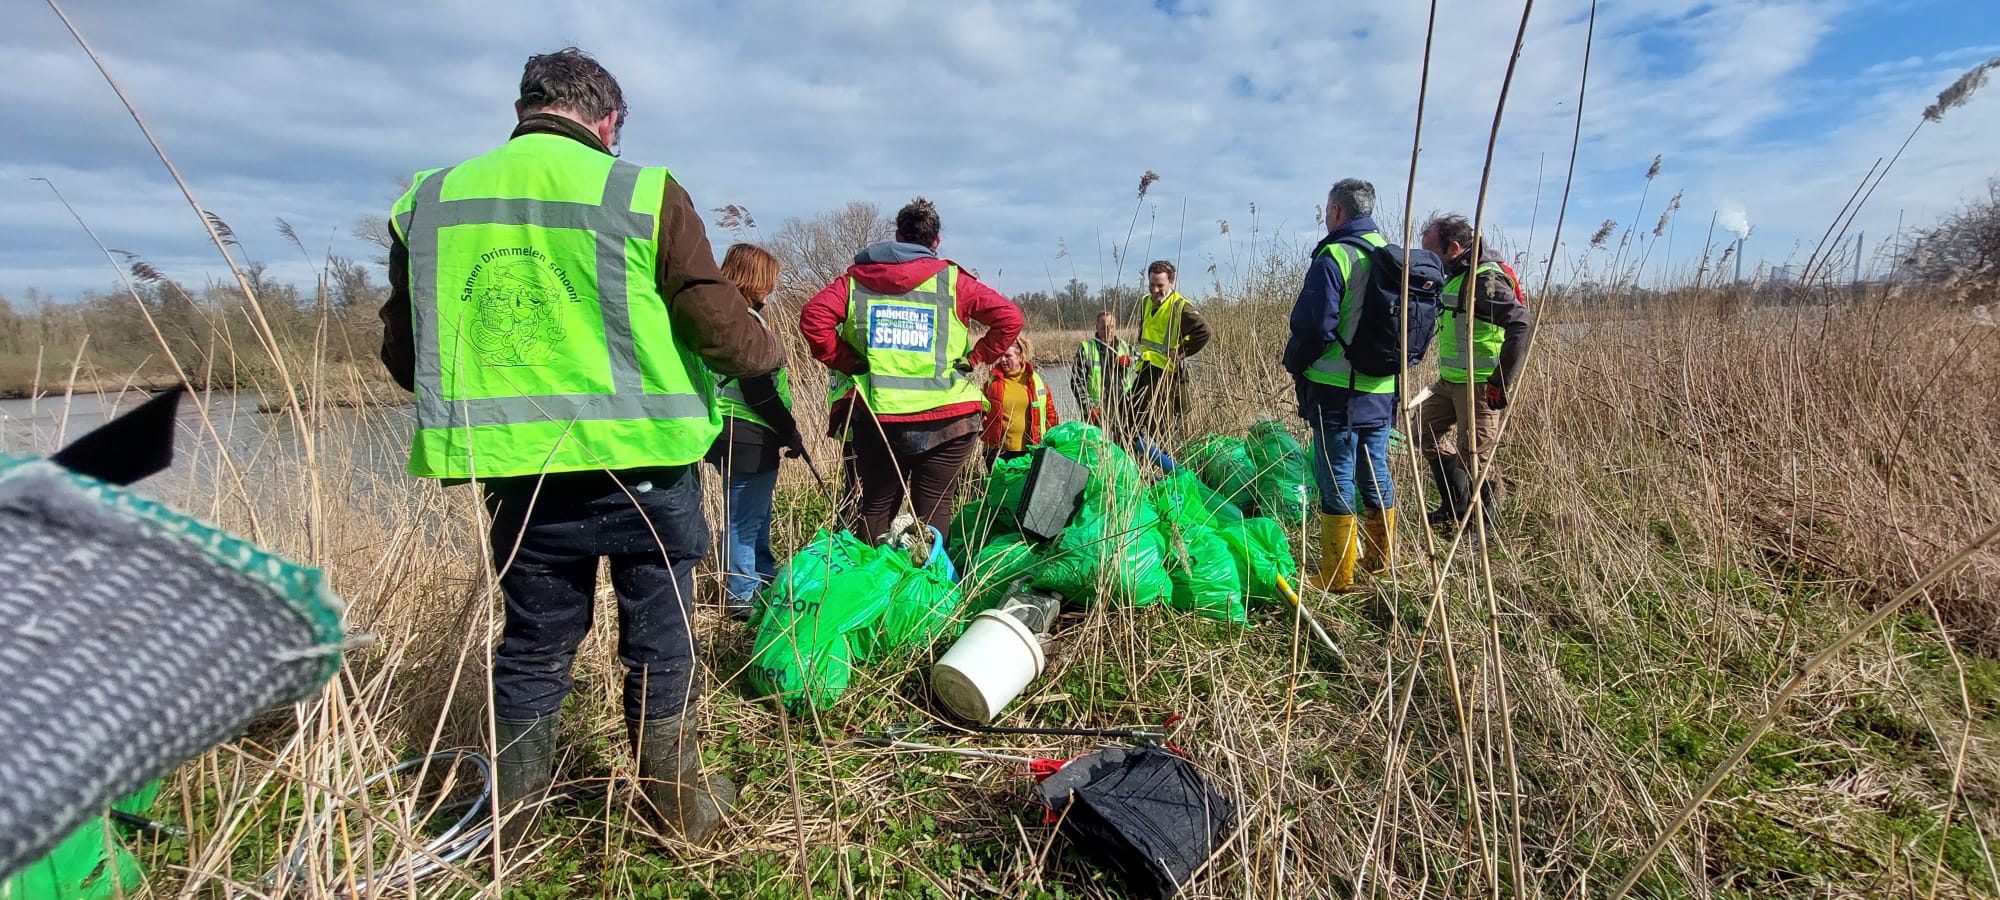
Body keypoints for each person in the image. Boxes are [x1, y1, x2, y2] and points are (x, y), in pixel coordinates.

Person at [377, 47, 779, 846]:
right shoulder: (643, 192)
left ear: (525, 109)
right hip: (647, 469)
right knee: (661, 637)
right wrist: (764, 355)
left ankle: (513, 820)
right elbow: (717, 328)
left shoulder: (432, 199)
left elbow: (403, 355)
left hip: (520, 477)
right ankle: (677, 805)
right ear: (609, 122)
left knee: (533, 642)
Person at [798, 197, 1023, 543]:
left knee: (876, 508)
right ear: (935, 242)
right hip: (948, 419)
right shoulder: (953, 281)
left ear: (898, 237)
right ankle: (931, 589)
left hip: (878, 418)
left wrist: (850, 362)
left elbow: (813, 318)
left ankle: (877, 588)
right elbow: (1010, 318)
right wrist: (976, 357)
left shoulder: (856, 281)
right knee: (934, 511)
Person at [1281, 179, 1403, 592]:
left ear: (1335, 212)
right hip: (1383, 390)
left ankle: (1336, 574)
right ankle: (1379, 560)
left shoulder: (1335, 255)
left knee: (1336, 475)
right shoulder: (1392, 255)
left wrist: (1294, 362)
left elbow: (1315, 327)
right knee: (1376, 470)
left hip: (1338, 394)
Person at [1416, 213, 1533, 532]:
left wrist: (1500, 380)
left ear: (1453, 247)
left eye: (1430, 251)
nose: (1427, 258)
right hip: (1450, 382)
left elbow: (1521, 324)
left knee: (1476, 456)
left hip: (1479, 386)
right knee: (1422, 433)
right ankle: (1456, 504)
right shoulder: (1456, 273)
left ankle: (1484, 528)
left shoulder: (1484, 279)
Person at [707, 243, 804, 619]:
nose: (773, 287)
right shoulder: (745, 322)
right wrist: (790, 430)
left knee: (756, 512)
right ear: (755, 279)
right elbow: (758, 389)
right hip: (748, 432)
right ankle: (742, 596)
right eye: (770, 279)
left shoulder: (719, 316)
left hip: (729, 429)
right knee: (743, 519)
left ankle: (763, 573)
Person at [1128, 260, 1211, 445]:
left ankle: (1170, 468)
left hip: (1165, 375)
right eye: (1152, 284)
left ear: (1171, 283)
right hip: (1145, 370)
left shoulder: (1180, 306)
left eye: (1160, 285)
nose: (1155, 290)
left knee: (1160, 427)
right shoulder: (1145, 301)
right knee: (1127, 419)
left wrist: (1181, 350)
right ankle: (1137, 463)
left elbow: (1204, 331)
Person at [980, 337, 1060, 466]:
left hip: (1030, 451)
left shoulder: (1036, 382)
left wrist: (1053, 442)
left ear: (1020, 356)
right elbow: (980, 413)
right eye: (1001, 356)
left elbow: (1050, 414)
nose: (1003, 360)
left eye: (1008, 356)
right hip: (998, 452)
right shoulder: (992, 382)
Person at [1072, 311, 1133, 433]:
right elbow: (1076, 382)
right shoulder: (1087, 348)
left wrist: (1130, 362)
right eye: (1104, 327)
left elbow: (1141, 361)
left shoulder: (1124, 346)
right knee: (1097, 447)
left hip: (1123, 407)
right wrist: (1089, 407)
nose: (1108, 331)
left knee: (1124, 446)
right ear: (1097, 327)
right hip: (1097, 411)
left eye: (1111, 327)